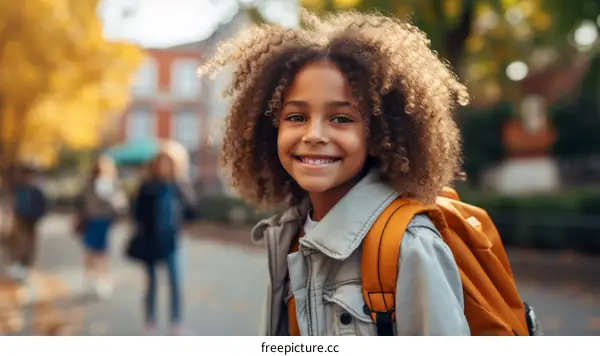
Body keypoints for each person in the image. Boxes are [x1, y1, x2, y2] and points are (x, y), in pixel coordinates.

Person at [198, 9, 471, 336]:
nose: (313, 134)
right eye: (296, 117)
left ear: (376, 134)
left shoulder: (410, 246)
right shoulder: (289, 237)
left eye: (341, 119)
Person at [128, 146, 197, 336]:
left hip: (173, 241)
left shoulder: (178, 186)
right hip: (150, 241)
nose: (164, 167)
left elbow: (192, 211)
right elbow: (136, 212)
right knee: (151, 283)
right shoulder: (147, 186)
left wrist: (185, 192)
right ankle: (149, 323)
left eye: (168, 163)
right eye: (161, 163)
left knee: (175, 282)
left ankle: (176, 323)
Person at [75, 155, 127, 300]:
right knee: (90, 251)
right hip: (91, 220)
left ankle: (102, 280)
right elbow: (80, 200)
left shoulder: (112, 183)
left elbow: (121, 204)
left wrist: (112, 198)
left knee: (101, 253)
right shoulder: (89, 183)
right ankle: (90, 279)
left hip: (104, 221)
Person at [8, 164, 47, 283]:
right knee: (20, 242)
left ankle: (26, 267)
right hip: (20, 218)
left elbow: (43, 204)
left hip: (32, 220)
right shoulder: (18, 188)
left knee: (30, 244)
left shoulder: (36, 190)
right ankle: (17, 265)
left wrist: (39, 215)